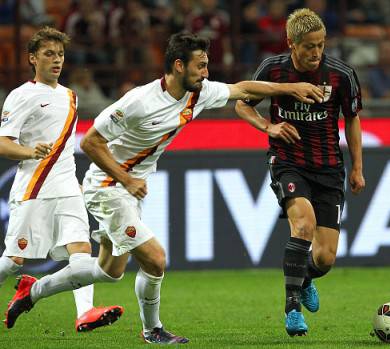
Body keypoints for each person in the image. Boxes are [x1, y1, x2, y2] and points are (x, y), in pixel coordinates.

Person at [5, 32, 324, 344]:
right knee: (156, 259)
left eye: (207, 64)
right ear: (178, 66)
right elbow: (91, 142)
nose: (206, 72)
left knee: (109, 271)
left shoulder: (199, 93)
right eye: (200, 65)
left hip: (129, 188)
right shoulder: (138, 102)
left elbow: (241, 88)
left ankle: (31, 292)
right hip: (107, 185)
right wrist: (126, 178)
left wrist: (289, 87)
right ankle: (152, 330)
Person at [235, 8, 365, 337]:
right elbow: (241, 103)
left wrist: (358, 168)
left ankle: (304, 278)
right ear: (291, 43)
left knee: (325, 257)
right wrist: (269, 126)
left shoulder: (341, 75)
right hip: (288, 162)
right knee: (302, 224)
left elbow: (352, 119)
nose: (316, 52)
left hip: (329, 169)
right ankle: (292, 307)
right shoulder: (273, 71)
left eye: (320, 45)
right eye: (309, 46)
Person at [0, 27, 123, 331]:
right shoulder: (21, 95)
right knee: (13, 261)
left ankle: (85, 312)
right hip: (34, 188)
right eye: (49, 54)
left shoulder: (70, 97)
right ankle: (26, 289)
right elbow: (3, 142)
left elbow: (64, 148)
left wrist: (75, 182)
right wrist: (29, 151)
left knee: (81, 251)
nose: (57, 60)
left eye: (61, 55)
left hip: (67, 186)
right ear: (33, 58)